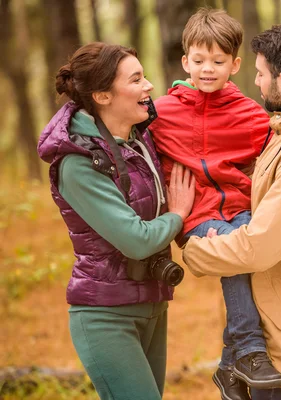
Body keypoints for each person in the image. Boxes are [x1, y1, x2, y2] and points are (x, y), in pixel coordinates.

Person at [149, 9, 281, 400]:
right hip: (275, 306)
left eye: (260, 74)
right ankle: (237, 357)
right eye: (198, 61)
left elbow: (257, 247)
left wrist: (193, 251)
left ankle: (240, 354)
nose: (256, 83)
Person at [37, 42, 195, 400]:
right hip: (107, 317)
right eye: (136, 79)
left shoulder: (139, 140)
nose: (149, 86)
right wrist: (178, 214)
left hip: (153, 303)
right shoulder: (78, 163)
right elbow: (135, 240)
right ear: (103, 95)